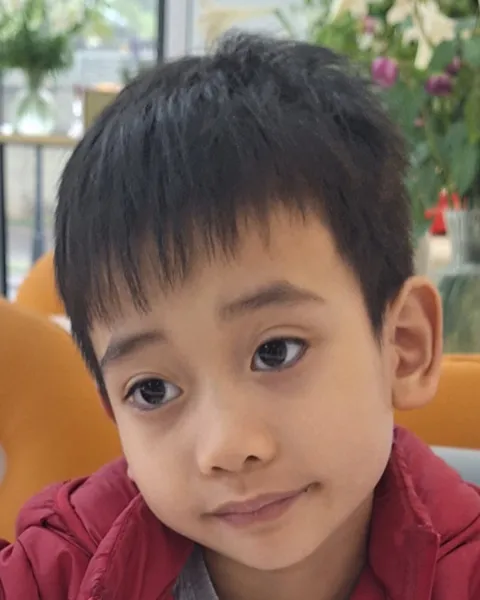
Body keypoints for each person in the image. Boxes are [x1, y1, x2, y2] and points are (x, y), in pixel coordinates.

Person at [1, 32, 479, 600]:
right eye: (152, 390)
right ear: (115, 416)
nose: (227, 448)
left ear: (403, 345)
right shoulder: (60, 573)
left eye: (275, 352)